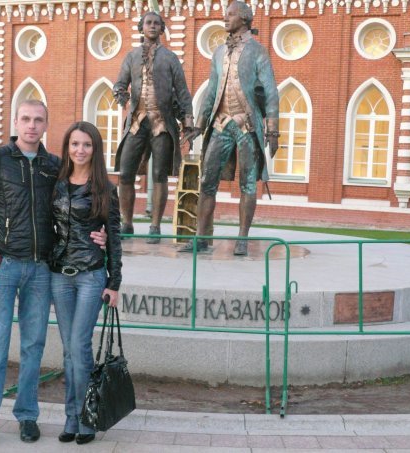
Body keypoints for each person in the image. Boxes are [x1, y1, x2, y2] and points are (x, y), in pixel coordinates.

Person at [0, 101, 106, 451]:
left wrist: (102, 234)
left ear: (46, 125)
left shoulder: (54, 166)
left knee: (33, 348)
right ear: (15, 122)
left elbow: (79, 207)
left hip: (41, 270)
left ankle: (27, 416)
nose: (31, 126)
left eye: (38, 120)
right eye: (25, 119)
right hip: (4, 266)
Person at [181, 1, 280, 256]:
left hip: (247, 126)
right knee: (207, 182)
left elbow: (270, 92)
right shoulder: (218, 53)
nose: (225, 19)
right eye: (225, 15)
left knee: (248, 184)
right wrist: (199, 125)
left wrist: (272, 130)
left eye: (231, 14)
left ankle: (242, 239)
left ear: (244, 19)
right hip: (220, 124)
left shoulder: (258, 51)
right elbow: (212, 91)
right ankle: (202, 237)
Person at [50, 121, 122, 445]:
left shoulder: (105, 189)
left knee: (79, 345)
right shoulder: (57, 184)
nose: (80, 150)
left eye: (87, 144)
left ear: (95, 149)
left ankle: (86, 419)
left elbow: (115, 237)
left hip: (91, 276)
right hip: (59, 275)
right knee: (69, 350)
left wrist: (114, 282)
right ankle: (70, 418)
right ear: (67, 147)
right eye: (75, 144)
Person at [113, 11, 195, 244]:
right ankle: (127, 222)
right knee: (125, 173)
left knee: (160, 174)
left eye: (157, 23)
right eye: (148, 23)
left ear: (162, 28)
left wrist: (188, 123)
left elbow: (183, 92)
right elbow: (119, 84)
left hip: (161, 123)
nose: (152, 26)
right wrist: (123, 97)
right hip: (137, 123)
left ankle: (155, 226)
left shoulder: (170, 58)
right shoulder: (131, 57)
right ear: (141, 27)